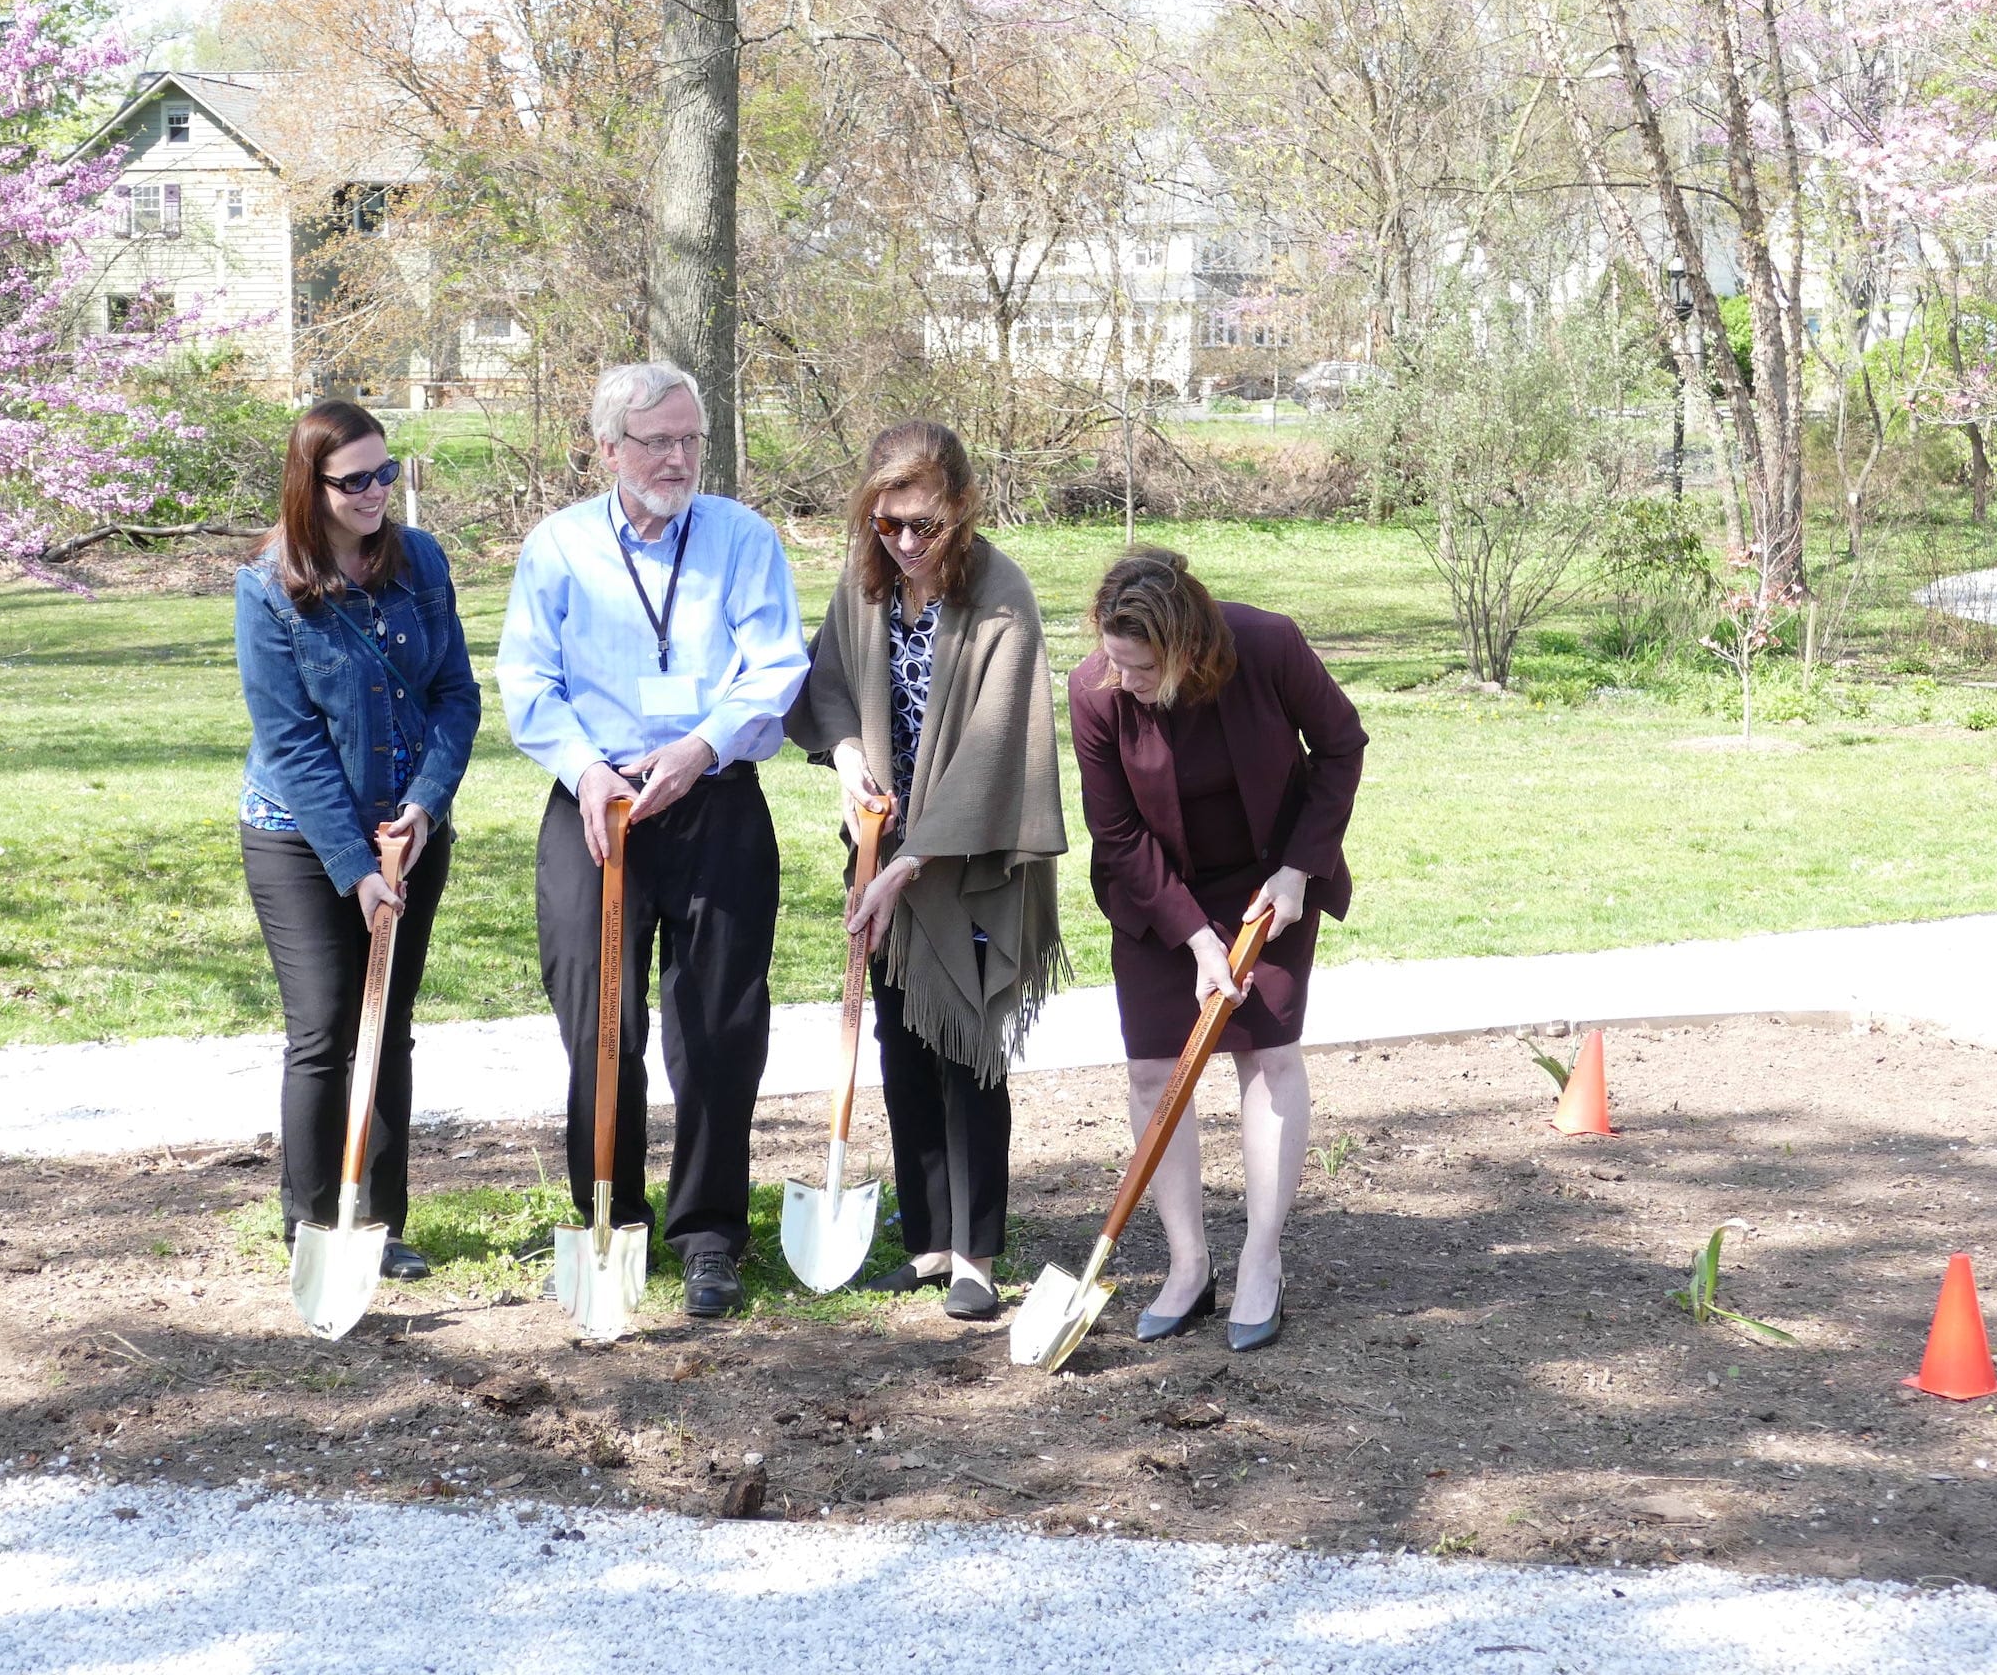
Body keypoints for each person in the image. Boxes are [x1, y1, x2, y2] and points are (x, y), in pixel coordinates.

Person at [497, 362, 809, 1318]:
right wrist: (588, 768)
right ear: (608, 452)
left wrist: (702, 744)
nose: (677, 460)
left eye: (689, 441)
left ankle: (710, 1234)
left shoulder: (743, 541)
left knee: (717, 1028)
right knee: (600, 1026)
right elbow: (527, 682)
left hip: (713, 797)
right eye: (656, 443)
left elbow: (776, 665)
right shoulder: (557, 548)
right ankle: (609, 1219)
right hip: (597, 804)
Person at [788, 422, 1069, 1322]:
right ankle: (928, 1242)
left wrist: (909, 864)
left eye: (925, 526)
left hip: (967, 860)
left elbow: (996, 753)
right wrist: (844, 759)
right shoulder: (867, 583)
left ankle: (979, 1255)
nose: (906, 543)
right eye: (888, 524)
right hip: (880, 848)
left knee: (970, 1047)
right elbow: (828, 684)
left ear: (962, 507)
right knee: (902, 1042)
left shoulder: (1001, 598)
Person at [1067, 547, 1365, 1352]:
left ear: (1187, 651)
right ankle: (1188, 1265)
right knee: (1152, 1070)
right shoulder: (1095, 692)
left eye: (1138, 667)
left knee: (1267, 1057)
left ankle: (1261, 1261)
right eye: (1112, 658)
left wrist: (1300, 867)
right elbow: (1118, 832)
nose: (1119, 678)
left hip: (1271, 883)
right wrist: (1195, 937)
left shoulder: (1268, 647)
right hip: (1159, 893)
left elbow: (1341, 745)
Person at [235, 399, 481, 1279]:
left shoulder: (421, 563)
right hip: (299, 838)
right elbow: (289, 740)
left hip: (407, 829)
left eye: (387, 473)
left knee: (390, 1022)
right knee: (328, 1024)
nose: (377, 492)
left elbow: (456, 693)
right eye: (356, 481)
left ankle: (377, 1219)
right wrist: (354, 869)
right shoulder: (266, 587)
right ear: (312, 485)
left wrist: (425, 805)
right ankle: (311, 1224)